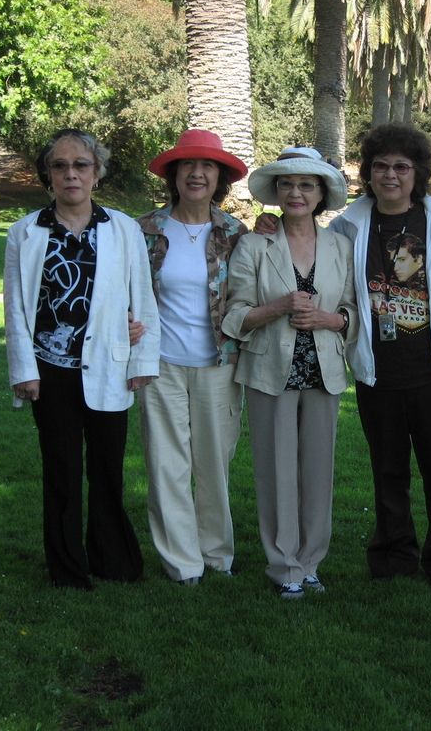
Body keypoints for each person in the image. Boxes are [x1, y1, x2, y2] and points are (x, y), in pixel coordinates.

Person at [4, 129, 160, 590]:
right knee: (62, 472)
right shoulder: (25, 232)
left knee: (108, 470)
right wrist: (23, 370)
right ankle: (68, 570)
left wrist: (141, 361)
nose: (71, 174)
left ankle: (113, 561)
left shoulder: (124, 229)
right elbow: (15, 308)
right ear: (48, 175)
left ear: (97, 172)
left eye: (81, 165)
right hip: (50, 371)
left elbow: (142, 299)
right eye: (60, 166)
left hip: (110, 366)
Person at [332, 123, 431, 592]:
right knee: (388, 473)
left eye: (401, 167)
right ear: (368, 173)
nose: (389, 175)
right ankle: (393, 557)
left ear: (418, 173)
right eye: (380, 166)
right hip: (377, 371)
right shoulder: (348, 226)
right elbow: (310, 254)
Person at [223, 147, 356, 599]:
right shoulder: (254, 244)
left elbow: (353, 310)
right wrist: (277, 307)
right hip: (270, 371)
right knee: (276, 472)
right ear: (276, 192)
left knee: (318, 473)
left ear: (321, 194)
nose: (295, 192)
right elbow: (234, 315)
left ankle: (311, 563)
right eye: (286, 184)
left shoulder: (340, 246)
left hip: (323, 372)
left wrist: (331, 320)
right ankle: (285, 567)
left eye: (306, 185)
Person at [135, 130, 249, 585]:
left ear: (219, 178)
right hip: (160, 365)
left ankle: (216, 555)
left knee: (214, 465)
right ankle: (182, 564)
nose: (197, 174)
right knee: (167, 465)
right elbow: (120, 290)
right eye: (187, 165)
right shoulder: (143, 230)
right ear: (174, 174)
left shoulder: (236, 234)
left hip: (219, 365)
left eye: (207, 166)